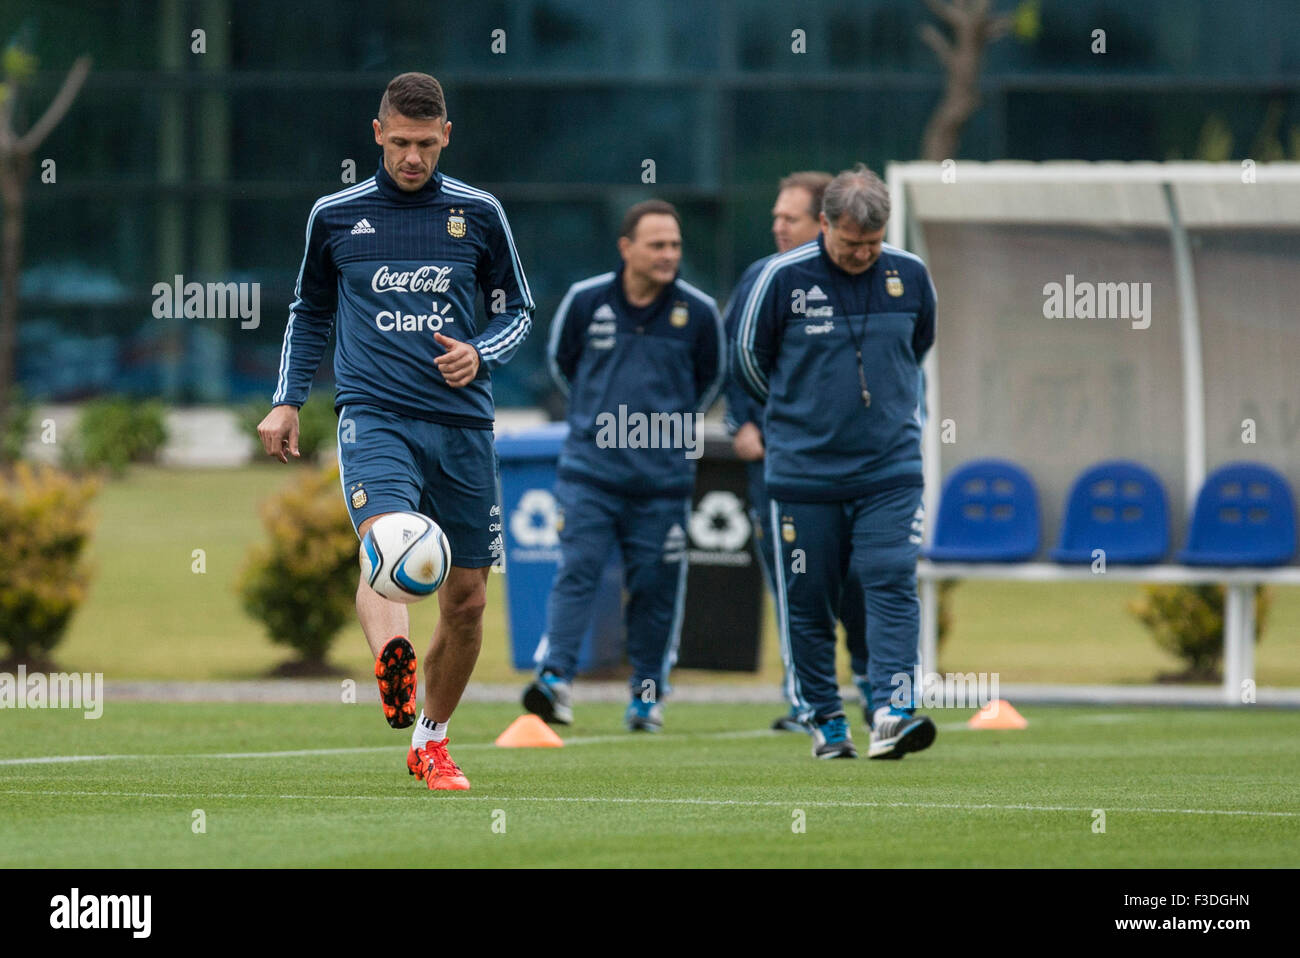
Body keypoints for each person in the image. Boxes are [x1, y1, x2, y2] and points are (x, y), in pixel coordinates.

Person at [257, 72, 534, 790]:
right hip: (374, 415)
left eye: (426, 144)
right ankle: (393, 663)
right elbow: (308, 312)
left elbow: (518, 312)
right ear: (378, 135)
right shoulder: (336, 216)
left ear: (446, 136)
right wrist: (287, 400)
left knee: (468, 601)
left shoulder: (478, 214)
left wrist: (482, 352)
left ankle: (431, 740)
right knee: (387, 544)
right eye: (401, 143)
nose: (413, 157)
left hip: (464, 425)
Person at [735, 164, 937, 760]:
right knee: (808, 597)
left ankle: (895, 711)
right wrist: (799, 417)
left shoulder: (912, 276)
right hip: (803, 474)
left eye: (872, 245)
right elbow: (749, 361)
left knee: (891, 579)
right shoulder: (780, 279)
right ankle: (825, 717)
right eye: (850, 244)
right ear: (824, 225)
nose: (861, 255)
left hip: (889, 469)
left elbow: (917, 346)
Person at [523, 200, 725, 732]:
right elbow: (563, 367)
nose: (668, 255)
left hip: (663, 482)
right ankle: (555, 681)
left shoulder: (699, 312)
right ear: (626, 248)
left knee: (656, 588)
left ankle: (646, 697)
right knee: (577, 572)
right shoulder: (586, 301)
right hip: (590, 472)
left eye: (676, 245)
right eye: (657, 244)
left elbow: (709, 381)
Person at [721, 171, 870, 734]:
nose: (778, 225)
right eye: (776, 216)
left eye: (792, 217)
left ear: (825, 223)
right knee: (794, 580)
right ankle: (807, 700)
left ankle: (877, 690)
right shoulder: (764, 277)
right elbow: (735, 359)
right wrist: (745, 423)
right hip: (782, 461)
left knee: (861, 577)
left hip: (858, 463)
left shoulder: (872, 278)